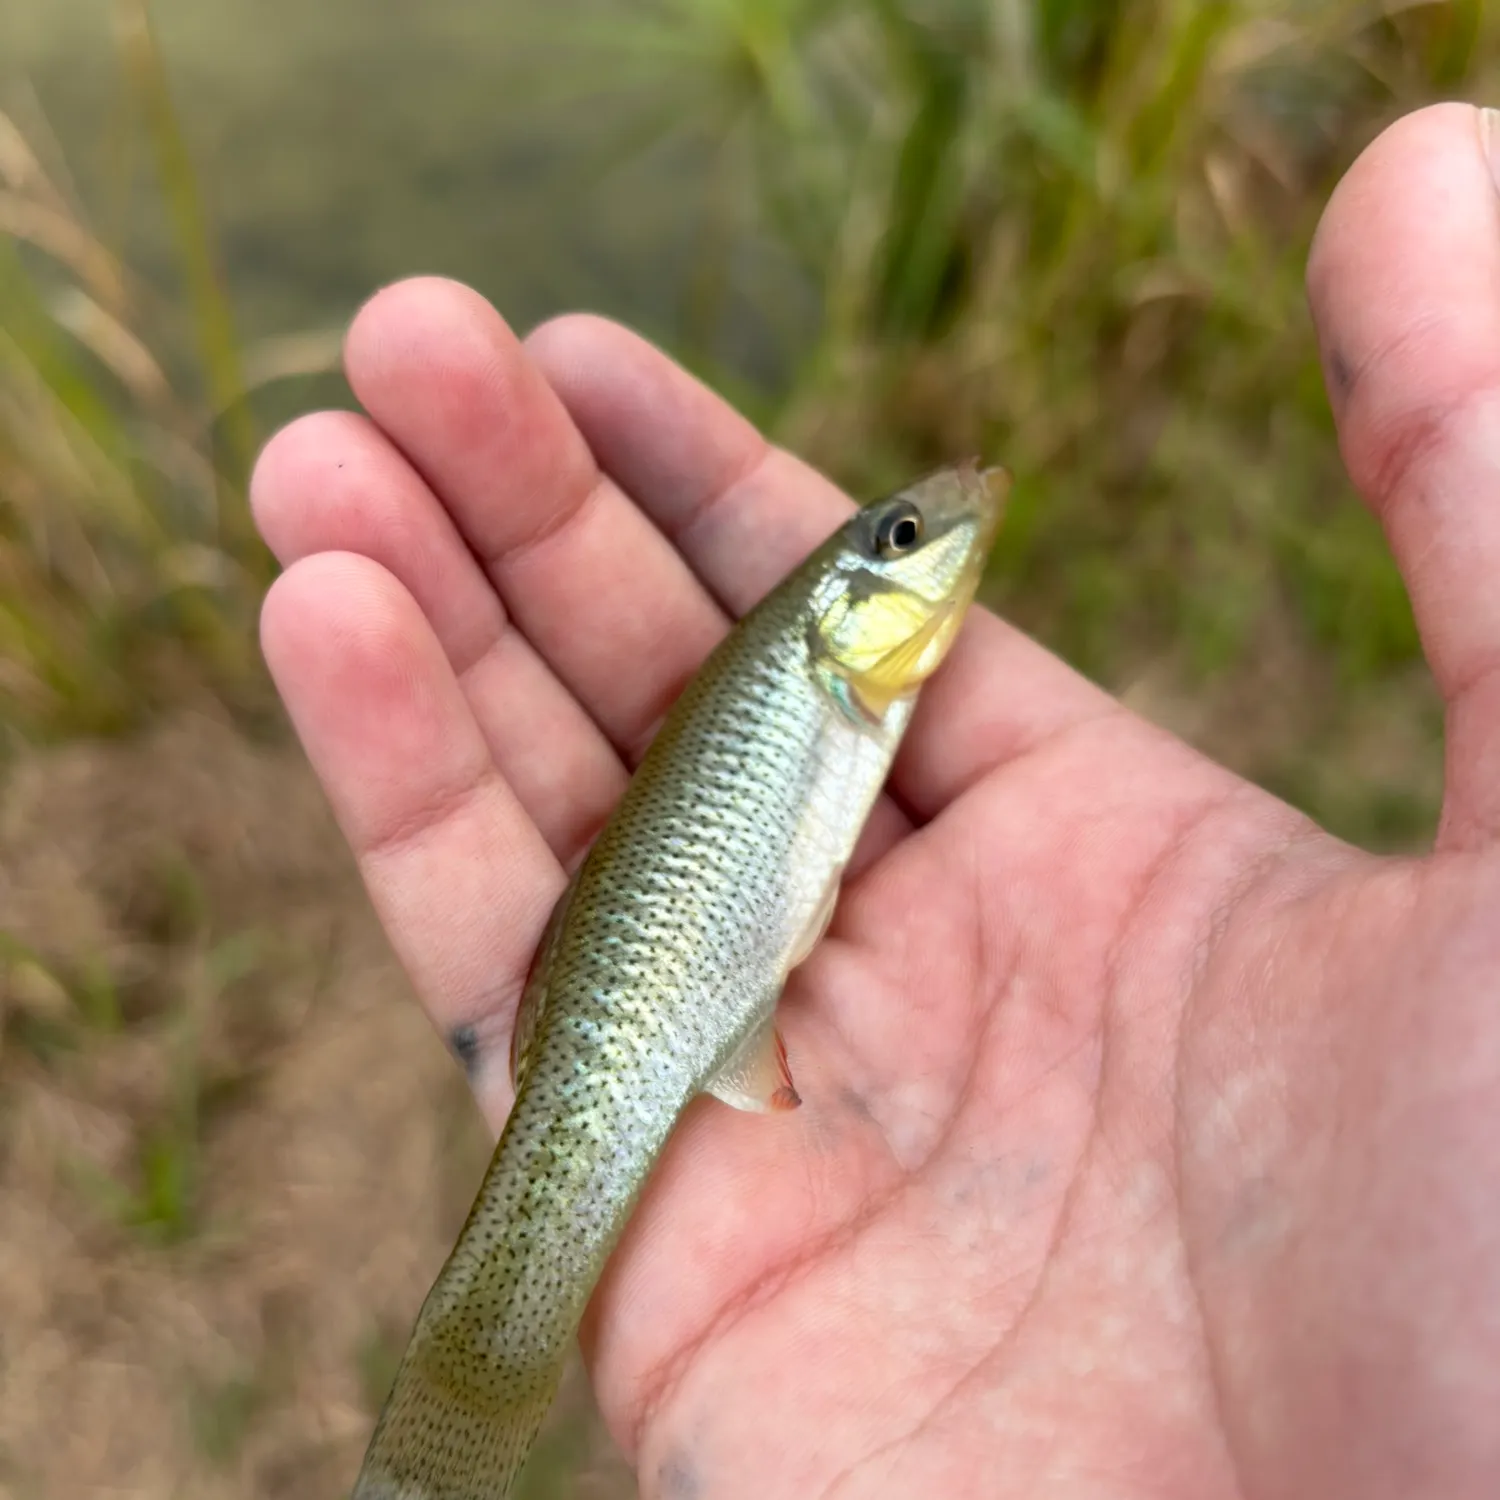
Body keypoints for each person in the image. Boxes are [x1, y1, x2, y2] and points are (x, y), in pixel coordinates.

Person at [248, 103, 1500, 1498]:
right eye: (905, 540)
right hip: (661, 992)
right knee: (548, 1202)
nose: (945, 533)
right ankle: (459, 1409)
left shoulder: (859, 674)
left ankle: (452, 1435)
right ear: (843, 605)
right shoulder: (830, 666)